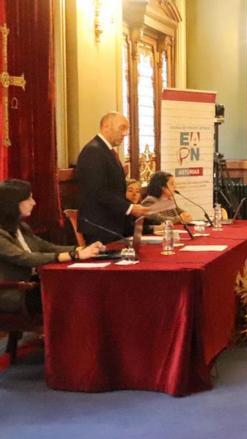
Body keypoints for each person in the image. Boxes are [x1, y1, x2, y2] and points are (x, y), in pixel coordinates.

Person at [0, 180, 103, 313]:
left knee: (83, 288)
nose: (34, 202)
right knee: (73, 297)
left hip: (33, 285)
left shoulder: (20, 227)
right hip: (13, 292)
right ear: (13, 203)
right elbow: (25, 258)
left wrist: (80, 249)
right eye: (29, 198)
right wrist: (74, 256)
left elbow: (46, 246)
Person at [75, 112, 148, 243]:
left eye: (127, 129)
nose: (125, 133)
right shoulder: (94, 151)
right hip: (100, 226)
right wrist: (129, 208)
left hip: (111, 224)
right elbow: (97, 191)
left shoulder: (106, 151)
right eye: (122, 128)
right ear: (106, 126)